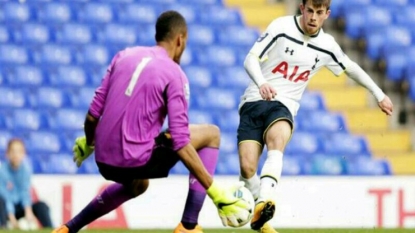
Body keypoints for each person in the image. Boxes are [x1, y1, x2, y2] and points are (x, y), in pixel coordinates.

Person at [52, 10, 249, 233]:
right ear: (180, 39)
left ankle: (69, 228)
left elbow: (91, 116)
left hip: (104, 161)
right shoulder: (174, 73)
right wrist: (215, 191)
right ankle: (189, 225)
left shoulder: (123, 55)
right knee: (211, 133)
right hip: (135, 160)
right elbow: (181, 141)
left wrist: (89, 143)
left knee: (138, 184)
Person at [237, 0, 394, 232]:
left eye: (319, 13)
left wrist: (379, 94)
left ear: (327, 14)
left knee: (277, 138)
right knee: (248, 168)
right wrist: (261, 83)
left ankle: (265, 200)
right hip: (254, 101)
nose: (313, 17)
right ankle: (262, 220)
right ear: (302, 8)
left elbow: (350, 67)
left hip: (284, 105)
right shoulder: (281, 27)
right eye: (310, 11)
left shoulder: (326, 45)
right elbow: (250, 59)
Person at [0, 139, 53, 229]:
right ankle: (4, 228)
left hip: (20, 208)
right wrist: (12, 219)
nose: (16, 154)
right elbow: (5, 196)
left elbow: (25, 193)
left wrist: (28, 212)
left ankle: (51, 229)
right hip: (6, 209)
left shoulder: (25, 170)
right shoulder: (2, 171)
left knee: (42, 206)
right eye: (13, 151)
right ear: (7, 153)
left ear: (23, 154)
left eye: (19, 151)